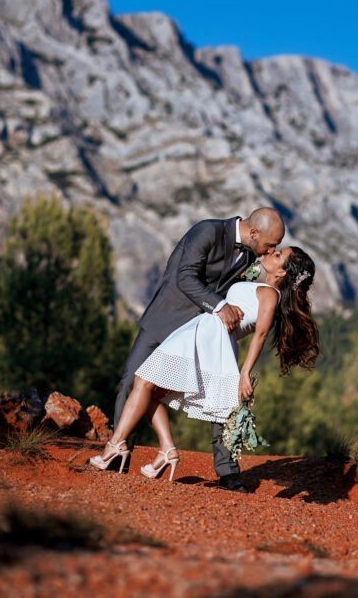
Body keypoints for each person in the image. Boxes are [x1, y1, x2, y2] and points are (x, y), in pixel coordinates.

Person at [92, 246, 319, 492]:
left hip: (209, 340)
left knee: (144, 381)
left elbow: (260, 335)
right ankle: (165, 450)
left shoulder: (271, 295)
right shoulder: (257, 284)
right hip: (202, 332)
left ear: (283, 272)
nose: (271, 253)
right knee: (148, 388)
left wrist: (245, 372)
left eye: (278, 256)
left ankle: (116, 446)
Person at [112, 208, 285, 492]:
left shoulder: (254, 255)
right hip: (166, 319)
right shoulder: (207, 231)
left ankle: (229, 475)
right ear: (254, 233)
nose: (272, 249)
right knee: (131, 382)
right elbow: (185, 276)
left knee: (224, 395)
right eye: (270, 244)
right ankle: (118, 458)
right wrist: (220, 307)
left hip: (204, 332)